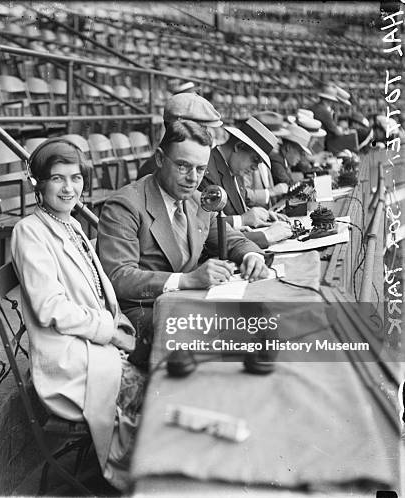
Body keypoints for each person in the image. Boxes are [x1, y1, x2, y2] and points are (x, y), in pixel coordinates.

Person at [10, 139, 146, 490]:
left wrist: (116, 324)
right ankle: (140, 482)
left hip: (91, 345)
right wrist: (108, 331)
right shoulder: (29, 231)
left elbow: (99, 294)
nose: (69, 188)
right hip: (68, 359)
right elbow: (49, 307)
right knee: (153, 393)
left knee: (163, 372)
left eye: (75, 178)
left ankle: (151, 476)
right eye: (57, 179)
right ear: (38, 184)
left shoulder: (71, 225)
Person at [97, 120, 269, 369]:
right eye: (182, 166)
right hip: (145, 312)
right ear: (159, 158)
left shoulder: (198, 200)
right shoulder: (125, 205)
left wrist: (252, 256)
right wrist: (186, 280)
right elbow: (119, 278)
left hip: (190, 303)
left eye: (200, 169)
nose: (193, 179)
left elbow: (232, 240)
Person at [201, 116, 293, 249]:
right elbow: (205, 227)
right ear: (238, 146)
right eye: (255, 159)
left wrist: (260, 216)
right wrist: (244, 221)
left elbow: (236, 207)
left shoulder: (233, 168)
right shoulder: (206, 172)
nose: (256, 167)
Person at [137, 92, 223, 179]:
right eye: (201, 129)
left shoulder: (198, 163)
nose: (205, 135)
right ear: (180, 128)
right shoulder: (152, 172)